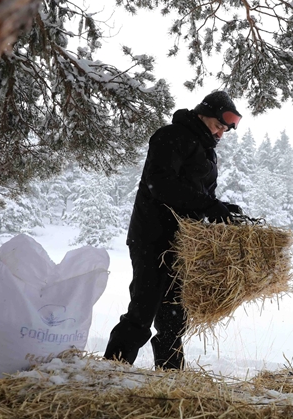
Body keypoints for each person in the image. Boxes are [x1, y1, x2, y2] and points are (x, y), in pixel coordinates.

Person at [103, 90, 243, 369]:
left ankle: (171, 377)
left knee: (173, 314)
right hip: (152, 237)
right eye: (218, 126)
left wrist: (219, 208)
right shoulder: (171, 136)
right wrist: (208, 205)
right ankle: (110, 371)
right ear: (203, 115)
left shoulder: (206, 151)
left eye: (224, 130)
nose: (220, 134)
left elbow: (199, 195)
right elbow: (161, 185)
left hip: (181, 242)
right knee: (144, 308)